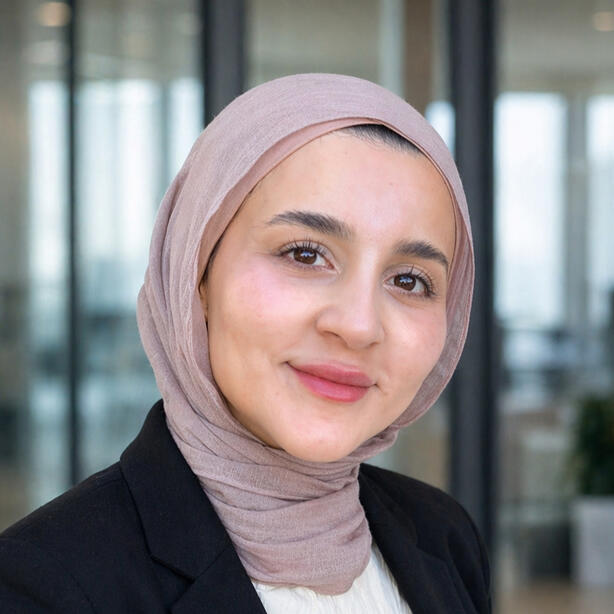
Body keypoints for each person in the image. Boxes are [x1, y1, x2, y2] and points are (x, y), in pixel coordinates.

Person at [0, 73, 490, 613]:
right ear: (196, 275)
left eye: (410, 281)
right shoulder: (40, 585)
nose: (358, 326)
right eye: (305, 254)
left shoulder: (444, 537)